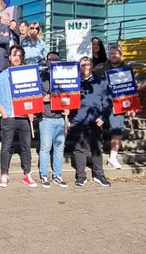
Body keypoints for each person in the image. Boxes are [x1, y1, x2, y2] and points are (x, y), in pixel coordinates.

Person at [0, 45, 38, 188]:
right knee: (6, 146)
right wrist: (3, 112)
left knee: (26, 147)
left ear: (22, 57)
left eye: (19, 55)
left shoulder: (28, 74)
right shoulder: (3, 75)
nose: (16, 58)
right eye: (14, 55)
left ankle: (27, 174)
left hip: (24, 117)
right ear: (9, 57)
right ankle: (4, 174)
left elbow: (34, 93)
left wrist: (32, 110)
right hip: (9, 116)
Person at [69, 56, 111, 187]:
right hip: (78, 120)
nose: (85, 67)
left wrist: (103, 117)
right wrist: (69, 119)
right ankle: (81, 176)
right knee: (79, 149)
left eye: (87, 64)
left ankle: (99, 175)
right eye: (82, 65)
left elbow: (108, 102)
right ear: (79, 67)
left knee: (96, 148)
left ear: (92, 66)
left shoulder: (101, 82)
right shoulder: (73, 82)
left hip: (94, 121)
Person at [93, 44, 136, 169]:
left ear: (121, 55)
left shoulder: (127, 69)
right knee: (96, 128)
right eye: (112, 53)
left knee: (117, 130)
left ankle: (112, 157)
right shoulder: (100, 68)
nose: (114, 55)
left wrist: (131, 107)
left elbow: (131, 90)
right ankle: (95, 154)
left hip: (118, 104)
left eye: (116, 53)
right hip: (100, 104)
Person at [38, 51, 69, 188]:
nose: (53, 61)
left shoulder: (64, 76)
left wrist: (69, 108)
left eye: (56, 59)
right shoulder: (40, 76)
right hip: (46, 118)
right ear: (46, 61)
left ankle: (57, 175)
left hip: (61, 118)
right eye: (51, 59)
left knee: (59, 148)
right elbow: (32, 95)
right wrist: (42, 99)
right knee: (45, 148)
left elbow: (70, 94)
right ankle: (44, 175)